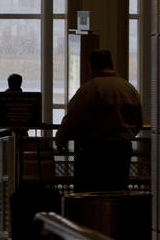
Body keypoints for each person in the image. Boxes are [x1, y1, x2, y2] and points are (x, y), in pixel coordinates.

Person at [54, 49, 143, 192]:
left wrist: (60, 140)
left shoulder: (90, 89)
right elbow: (138, 122)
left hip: (93, 152)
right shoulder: (128, 89)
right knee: (117, 192)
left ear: (92, 66)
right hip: (122, 150)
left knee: (90, 194)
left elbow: (72, 118)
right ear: (111, 63)